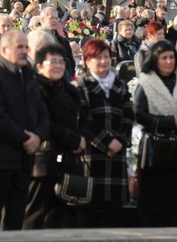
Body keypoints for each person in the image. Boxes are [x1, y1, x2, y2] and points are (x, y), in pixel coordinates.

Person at [0, 31, 49, 231]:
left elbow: (43, 113)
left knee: (15, 221)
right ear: (4, 50)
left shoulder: (30, 76)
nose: (25, 51)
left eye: (27, 47)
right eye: (20, 47)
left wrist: (39, 136)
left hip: (24, 160)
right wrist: (27, 138)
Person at [23, 44, 90, 229]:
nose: (58, 66)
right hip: (44, 159)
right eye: (52, 62)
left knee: (59, 216)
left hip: (68, 160)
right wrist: (74, 140)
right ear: (39, 66)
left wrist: (83, 137)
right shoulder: (35, 89)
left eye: (61, 61)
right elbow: (47, 124)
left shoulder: (70, 89)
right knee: (36, 213)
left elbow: (84, 117)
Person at [134, 40, 177, 226]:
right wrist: (168, 121)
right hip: (153, 147)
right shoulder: (146, 82)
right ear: (155, 59)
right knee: (152, 203)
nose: (169, 61)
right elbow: (139, 114)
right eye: (164, 58)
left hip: (176, 147)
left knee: (175, 202)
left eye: (171, 57)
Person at [74, 39, 134, 228]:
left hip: (117, 157)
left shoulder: (120, 85)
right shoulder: (82, 85)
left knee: (114, 216)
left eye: (106, 57)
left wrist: (120, 141)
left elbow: (128, 116)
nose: (103, 61)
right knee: (89, 216)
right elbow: (83, 119)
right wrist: (107, 142)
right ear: (87, 61)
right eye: (97, 58)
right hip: (92, 158)